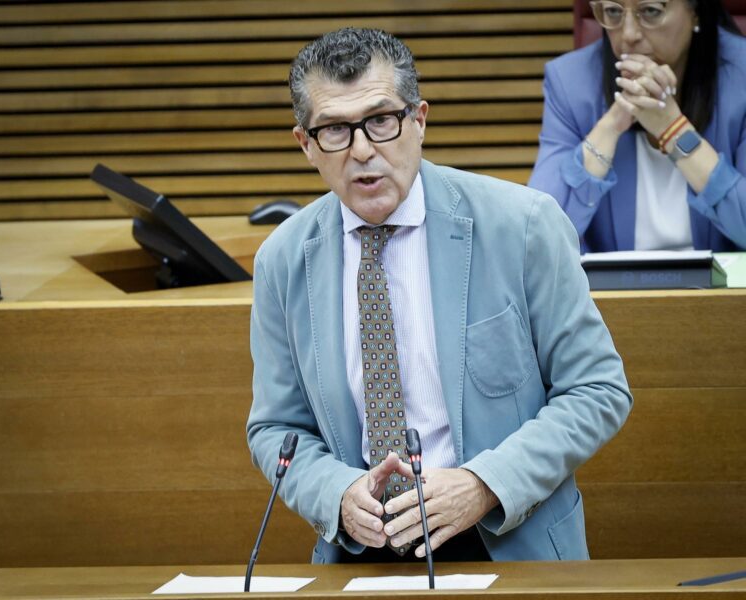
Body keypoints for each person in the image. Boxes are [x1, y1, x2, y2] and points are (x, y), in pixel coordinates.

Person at [246, 27, 632, 564]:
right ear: (306, 144)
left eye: (382, 121)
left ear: (419, 120)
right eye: (334, 130)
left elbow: (597, 389)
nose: (363, 150)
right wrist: (335, 494)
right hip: (361, 551)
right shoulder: (283, 260)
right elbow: (275, 427)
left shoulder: (523, 225)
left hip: (507, 539)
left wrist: (485, 484)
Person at [528, 0, 746, 253]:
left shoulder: (741, 77)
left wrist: (673, 130)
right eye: (613, 11)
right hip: (615, 281)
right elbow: (538, 241)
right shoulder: (570, 82)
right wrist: (611, 125)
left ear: (696, 11)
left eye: (651, 11)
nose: (629, 34)